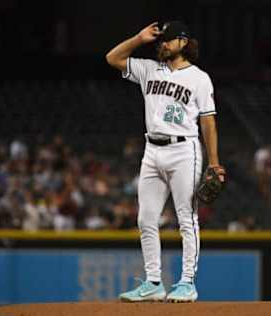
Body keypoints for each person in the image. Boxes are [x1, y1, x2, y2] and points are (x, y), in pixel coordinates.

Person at [106, 21, 224, 302]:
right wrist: (138, 38)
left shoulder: (199, 78)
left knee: (186, 218)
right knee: (146, 218)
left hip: (184, 150)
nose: (162, 44)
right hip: (152, 150)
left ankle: (187, 283)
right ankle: (154, 282)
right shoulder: (150, 70)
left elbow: (208, 122)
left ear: (183, 42)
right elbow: (113, 58)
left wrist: (214, 162)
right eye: (161, 40)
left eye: (168, 40)